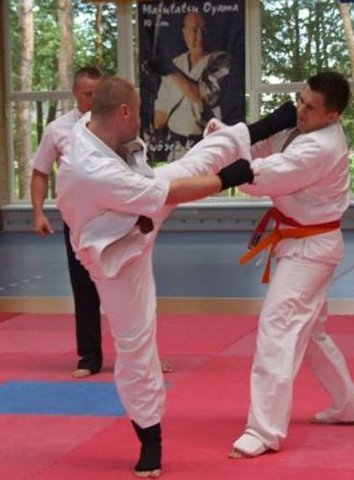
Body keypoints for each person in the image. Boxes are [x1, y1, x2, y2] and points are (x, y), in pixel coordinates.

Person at [55, 75, 262, 477]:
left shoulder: (93, 128)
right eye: (139, 111)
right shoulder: (90, 167)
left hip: (133, 209)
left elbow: (165, 184)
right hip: (116, 254)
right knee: (135, 343)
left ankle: (270, 124)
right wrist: (231, 178)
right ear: (124, 112)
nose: (144, 119)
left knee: (187, 165)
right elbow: (172, 195)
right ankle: (150, 439)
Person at [214, 71, 354, 458]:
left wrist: (222, 159)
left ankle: (264, 430)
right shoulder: (300, 129)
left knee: (277, 327)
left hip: (311, 250)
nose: (300, 109)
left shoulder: (320, 146)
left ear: (332, 116)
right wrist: (229, 138)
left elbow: (261, 177)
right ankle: (349, 406)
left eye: (310, 107)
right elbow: (263, 145)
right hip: (301, 242)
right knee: (310, 332)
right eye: (300, 100)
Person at [30, 66, 105, 379]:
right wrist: (38, 212)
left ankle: (142, 357)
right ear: (75, 93)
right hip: (78, 221)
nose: (94, 100)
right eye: (88, 94)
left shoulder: (116, 123)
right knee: (84, 288)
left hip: (114, 218)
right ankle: (89, 357)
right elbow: (40, 171)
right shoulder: (58, 129)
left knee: (128, 290)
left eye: (99, 94)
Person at [152, 11, 232, 161]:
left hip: (205, 147)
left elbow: (204, 96)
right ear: (184, 33)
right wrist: (151, 129)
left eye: (204, 31)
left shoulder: (221, 60)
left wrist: (171, 72)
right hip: (176, 148)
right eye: (194, 30)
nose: (199, 37)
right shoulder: (177, 63)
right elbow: (162, 109)